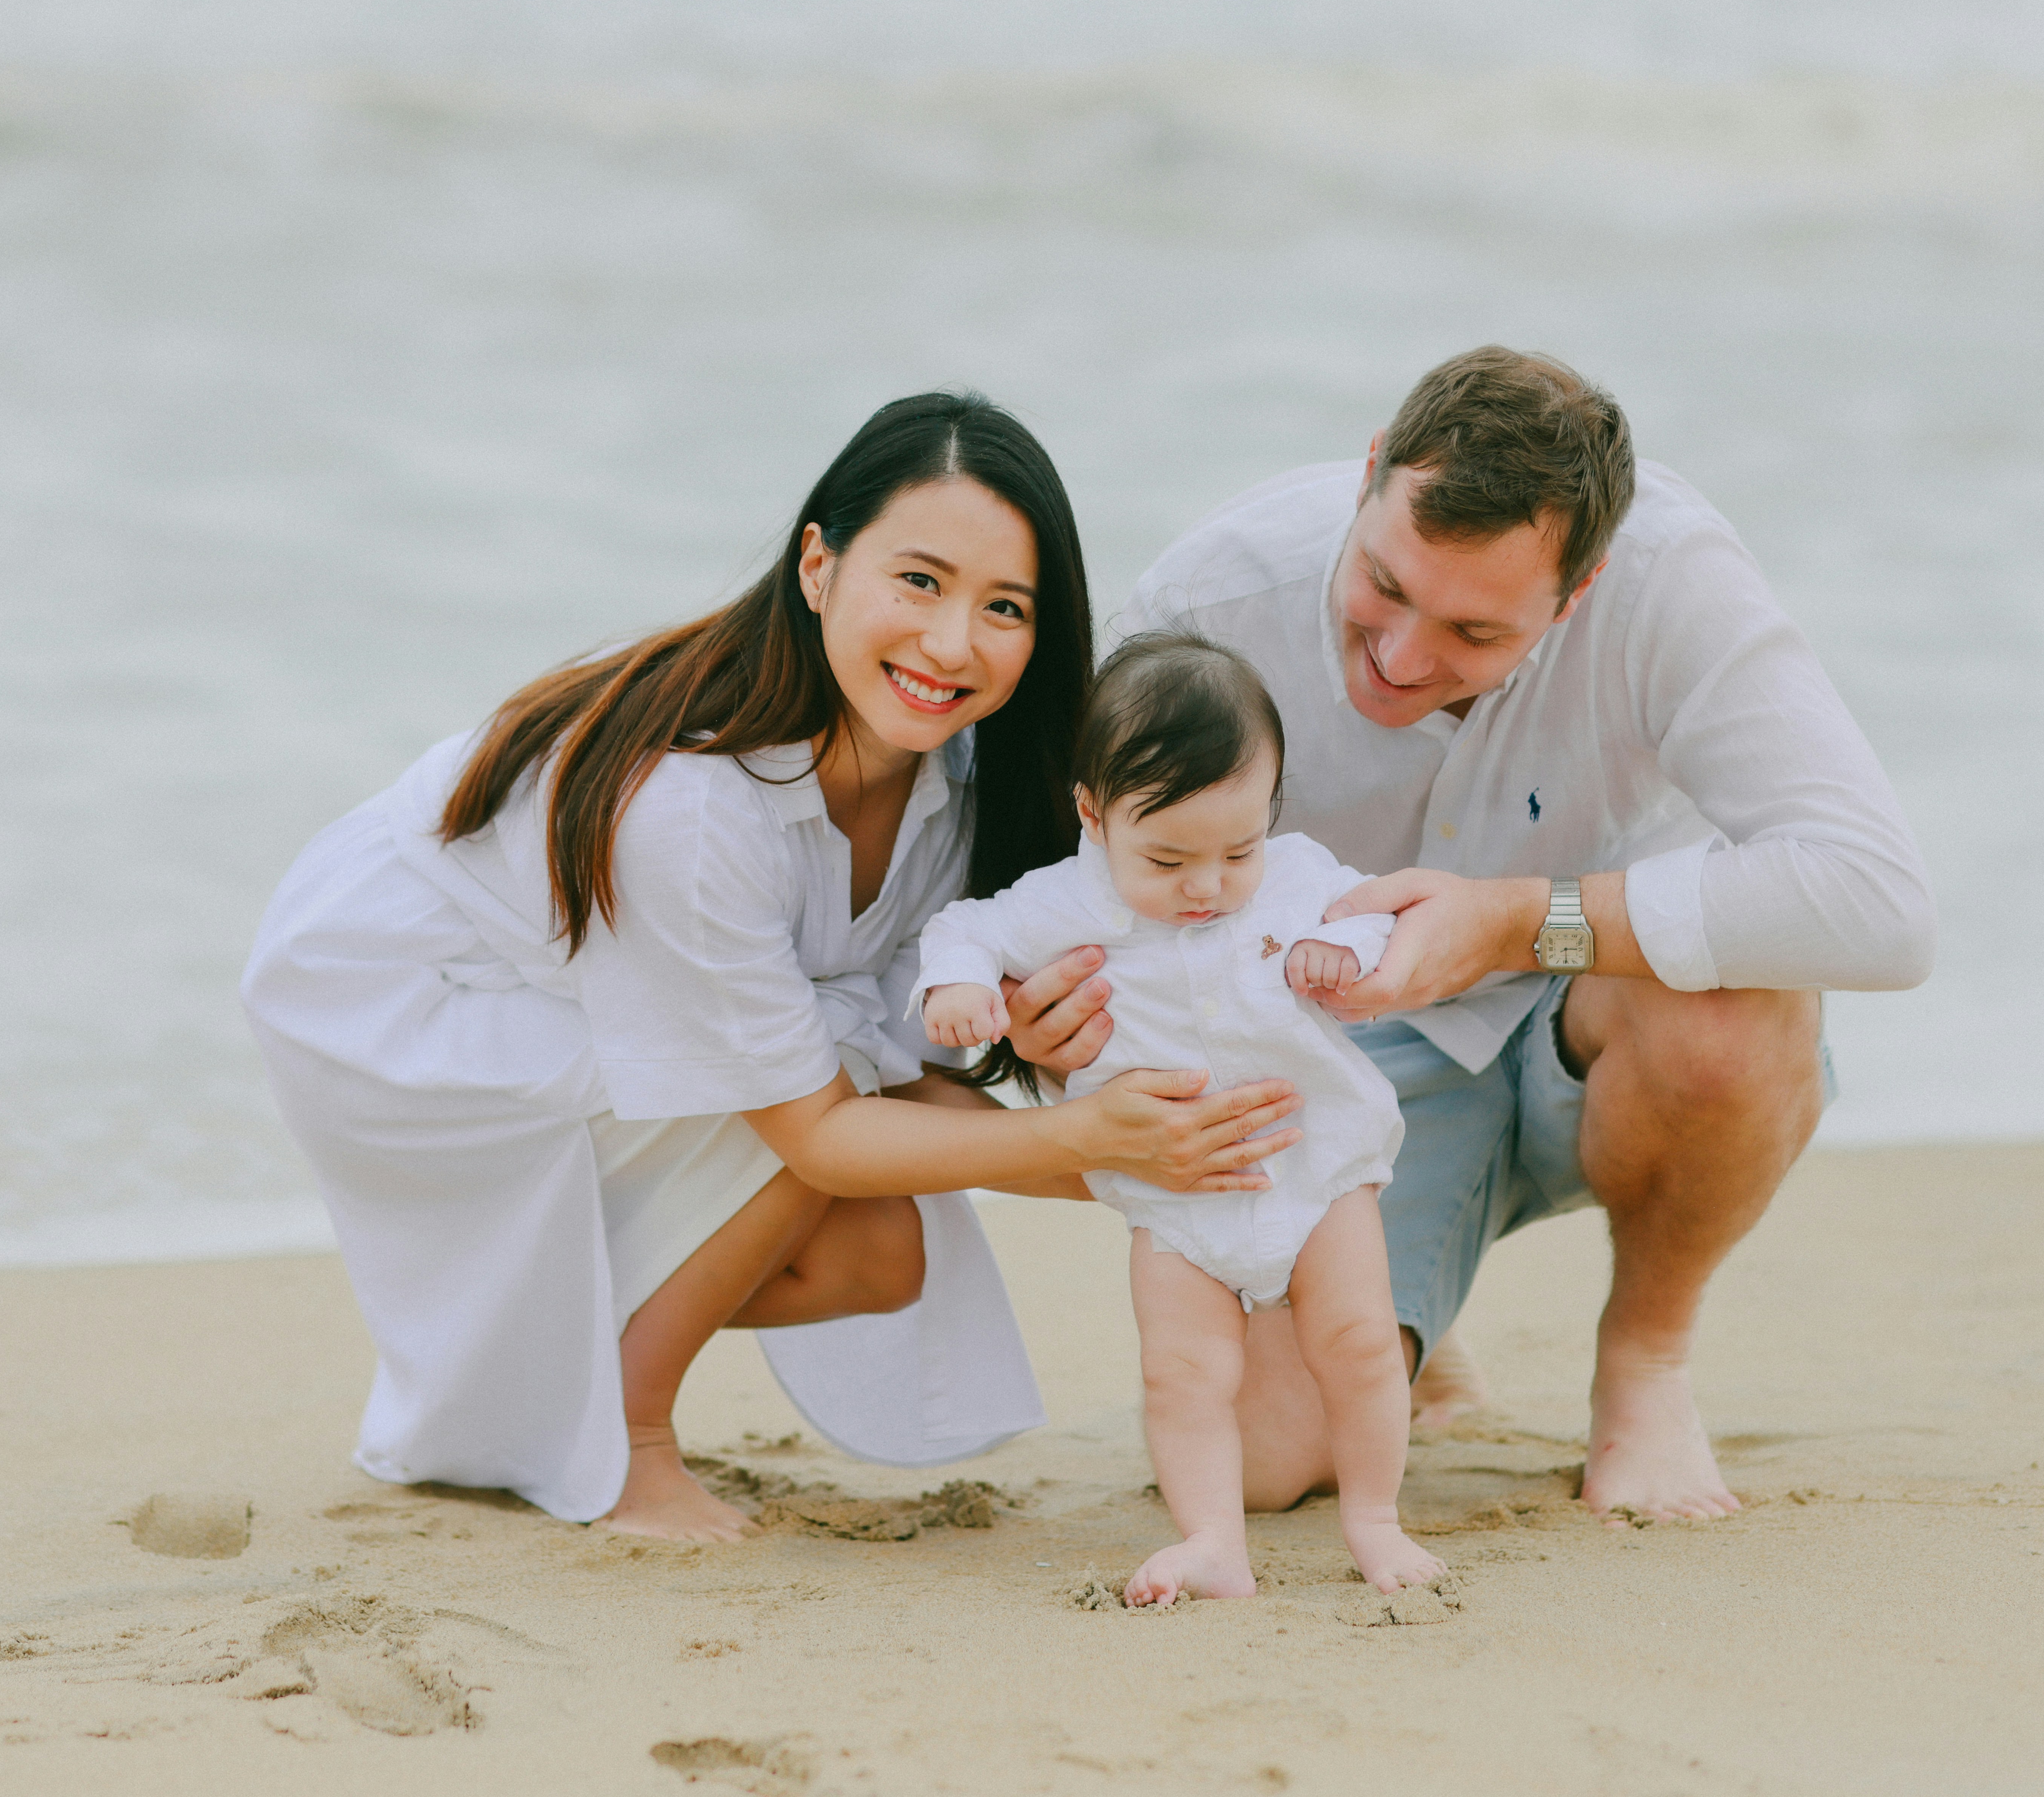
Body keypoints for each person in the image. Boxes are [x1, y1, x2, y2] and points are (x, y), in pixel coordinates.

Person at [241, 392, 1304, 1542]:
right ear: (818, 566)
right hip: (410, 995)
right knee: (830, 1105)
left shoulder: (959, 780)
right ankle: (629, 1441)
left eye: (1005, 607)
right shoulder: (696, 805)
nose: (952, 644)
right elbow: (822, 1127)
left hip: (561, 985)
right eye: (919, 581)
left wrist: (1190, 1151)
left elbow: (940, 1064)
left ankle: (545, 1370)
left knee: (879, 1256)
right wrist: (1089, 1140)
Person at [999, 348, 1936, 1523]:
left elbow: (1882, 906)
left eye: (1475, 635)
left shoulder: (1674, 584)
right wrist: (1051, 1025)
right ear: (1373, 475)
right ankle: (1413, 1315)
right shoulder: (1215, 600)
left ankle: (1644, 1366)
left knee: (1738, 1007)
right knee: (1257, 1464)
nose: (1399, 659)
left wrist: (1511, 924)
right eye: (1384, 586)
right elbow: (1085, 883)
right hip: (1343, 1062)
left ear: (1580, 589)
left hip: (1604, 1020)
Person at [915, 631, 1442, 1604]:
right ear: (1093, 814)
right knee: (1184, 1371)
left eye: (1234, 850)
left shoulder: (1292, 876)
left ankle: (1374, 1517)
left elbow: (1368, 913)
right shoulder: (1066, 899)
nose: (1205, 886)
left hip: (1313, 1161)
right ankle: (1211, 1542)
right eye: (1166, 858)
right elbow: (966, 926)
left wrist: (1343, 949)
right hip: (1177, 1191)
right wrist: (958, 985)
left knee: (1361, 1340)